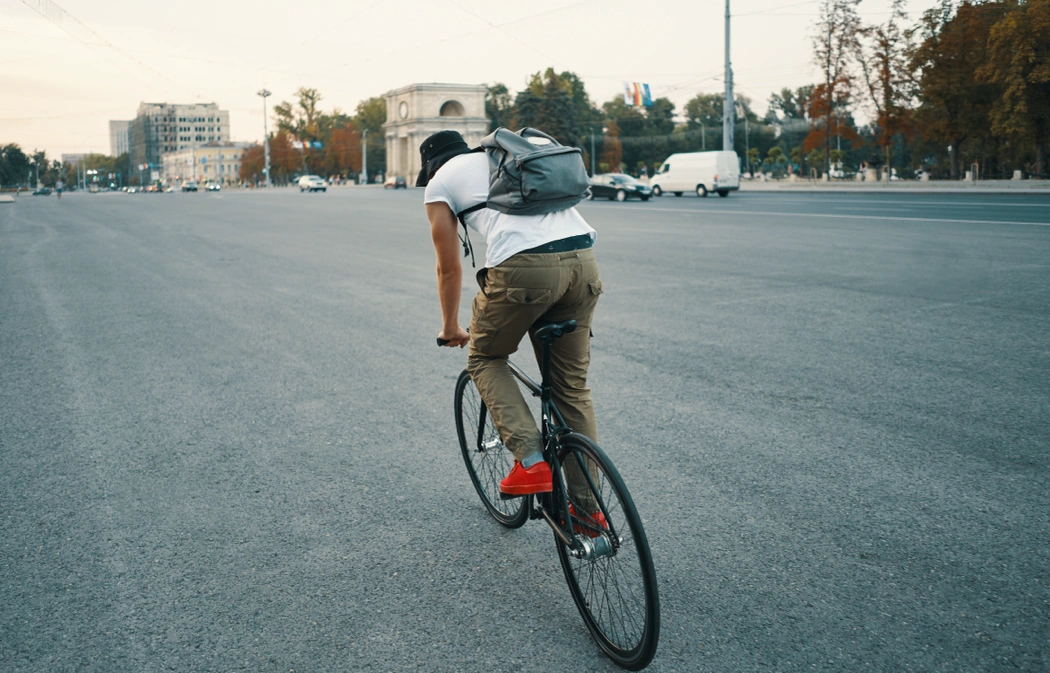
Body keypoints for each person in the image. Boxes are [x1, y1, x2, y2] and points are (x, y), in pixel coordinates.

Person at [421, 130, 603, 498]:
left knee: (485, 356)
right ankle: (589, 514)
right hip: (584, 263)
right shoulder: (506, 159)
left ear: (429, 166)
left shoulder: (440, 183)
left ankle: (531, 461)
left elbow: (449, 268)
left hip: (525, 268)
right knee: (571, 388)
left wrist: (450, 327)